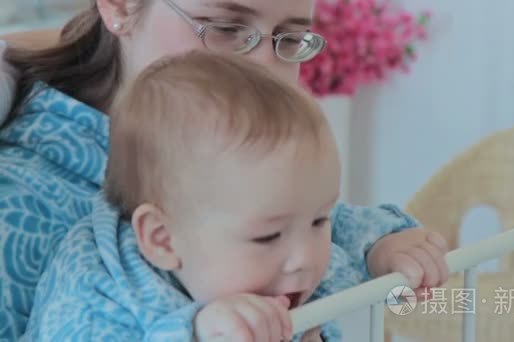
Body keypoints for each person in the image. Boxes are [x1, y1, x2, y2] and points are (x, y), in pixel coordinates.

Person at [0, 0, 449, 339]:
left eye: (289, 40)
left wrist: (383, 244)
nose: (263, 69)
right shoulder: (21, 212)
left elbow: (341, 222)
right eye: (227, 28)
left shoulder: (252, 161)